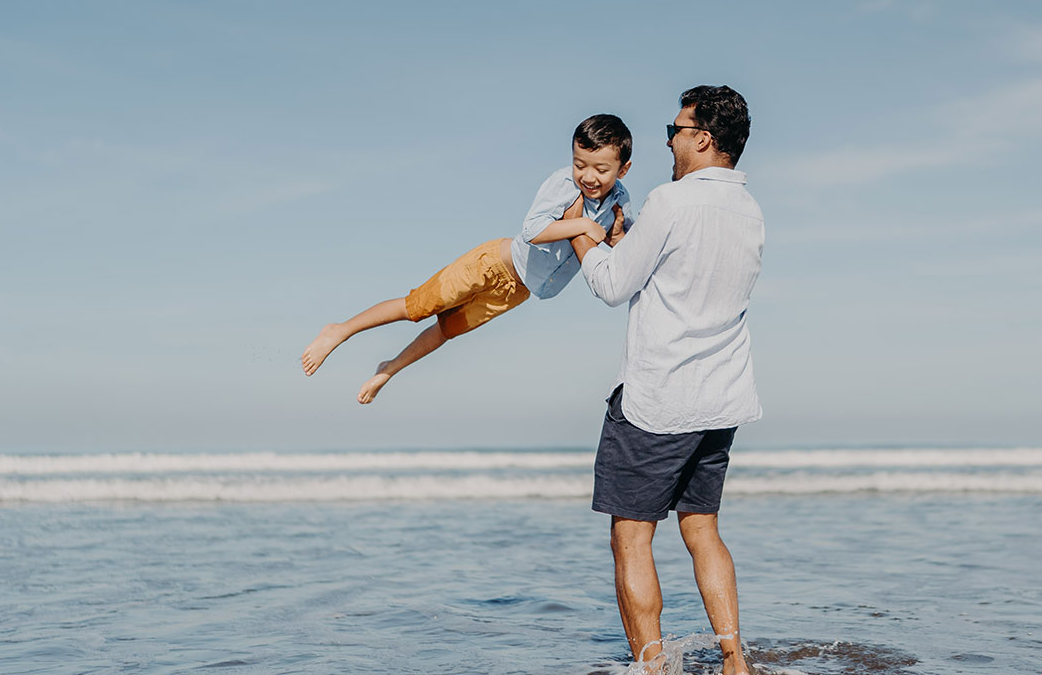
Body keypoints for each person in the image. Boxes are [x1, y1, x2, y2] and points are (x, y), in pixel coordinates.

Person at [567, 85, 762, 675]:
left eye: (675, 130)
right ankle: (734, 660)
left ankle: (652, 669)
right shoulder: (750, 210)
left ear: (702, 139)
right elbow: (687, 280)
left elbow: (610, 286)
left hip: (658, 398)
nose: (669, 141)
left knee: (631, 539)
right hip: (721, 396)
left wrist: (579, 230)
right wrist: (630, 246)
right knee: (702, 528)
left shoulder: (671, 202)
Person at [300, 114, 634, 404]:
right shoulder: (563, 185)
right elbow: (533, 229)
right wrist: (583, 225)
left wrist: (615, 234)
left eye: (601, 169)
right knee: (417, 308)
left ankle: (389, 369)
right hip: (491, 265)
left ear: (623, 168)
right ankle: (339, 330)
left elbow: (625, 241)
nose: (588, 176)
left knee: (446, 330)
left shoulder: (620, 200)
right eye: (580, 165)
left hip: (517, 292)